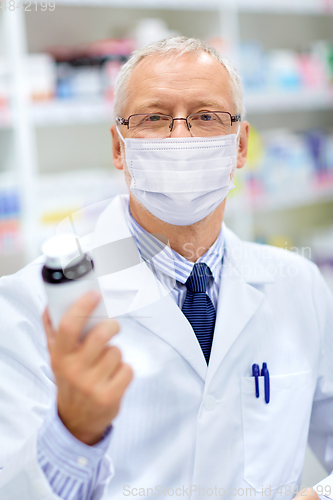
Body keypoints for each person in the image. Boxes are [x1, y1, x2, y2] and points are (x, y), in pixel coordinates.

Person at [0, 37, 332, 500]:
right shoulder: (27, 305)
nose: (181, 136)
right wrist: (73, 434)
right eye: (154, 117)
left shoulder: (298, 284)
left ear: (240, 147)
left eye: (205, 116)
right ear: (120, 147)